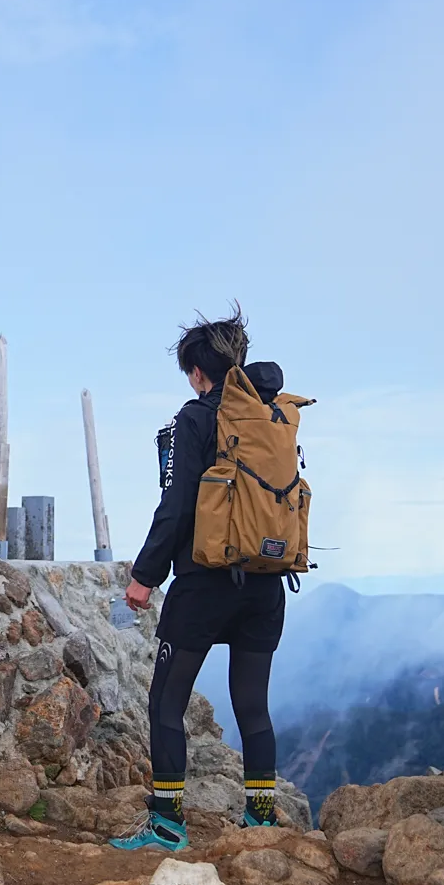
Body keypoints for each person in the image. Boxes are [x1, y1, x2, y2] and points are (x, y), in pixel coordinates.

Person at [111, 306, 288, 852]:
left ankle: (166, 823)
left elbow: (178, 505)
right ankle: (261, 818)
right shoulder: (272, 417)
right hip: (266, 581)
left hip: (204, 584)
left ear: (197, 370)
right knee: (252, 704)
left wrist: (145, 575)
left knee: (166, 701)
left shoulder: (195, 418)